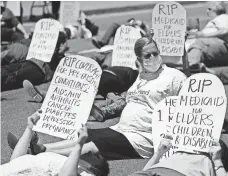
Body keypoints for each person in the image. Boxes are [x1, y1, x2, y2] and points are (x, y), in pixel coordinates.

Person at [11, 37, 187, 160]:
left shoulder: (173, 76)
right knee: (85, 134)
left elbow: (188, 104)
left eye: (155, 53)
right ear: (140, 59)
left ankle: (39, 153)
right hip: (123, 128)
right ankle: (38, 148)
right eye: (147, 56)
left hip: (143, 137)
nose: (153, 58)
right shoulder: (142, 76)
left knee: (94, 146)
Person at [3, 110, 109, 176]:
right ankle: (36, 149)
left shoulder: (86, 172)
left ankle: (38, 149)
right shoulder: (69, 163)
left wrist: (79, 145)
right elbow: (16, 162)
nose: (90, 153)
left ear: (96, 169)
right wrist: (29, 128)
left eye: (97, 156)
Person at [1, 31, 68, 92]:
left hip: (37, 67)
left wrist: (61, 52)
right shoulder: (56, 54)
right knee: (8, 71)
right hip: (34, 65)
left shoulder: (59, 56)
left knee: (13, 76)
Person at [129, 135, 228, 176]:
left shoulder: (213, 158)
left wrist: (217, 161)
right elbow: (144, 171)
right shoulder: (178, 150)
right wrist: (158, 154)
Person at [187, 2, 228, 74]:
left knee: (200, 43)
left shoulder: (222, 17)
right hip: (211, 48)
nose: (207, 11)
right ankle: (201, 68)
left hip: (220, 44)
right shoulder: (215, 21)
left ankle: (190, 64)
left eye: (209, 9)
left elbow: (225, 30)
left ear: (216, 10)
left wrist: (204, 35)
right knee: (194, 45)